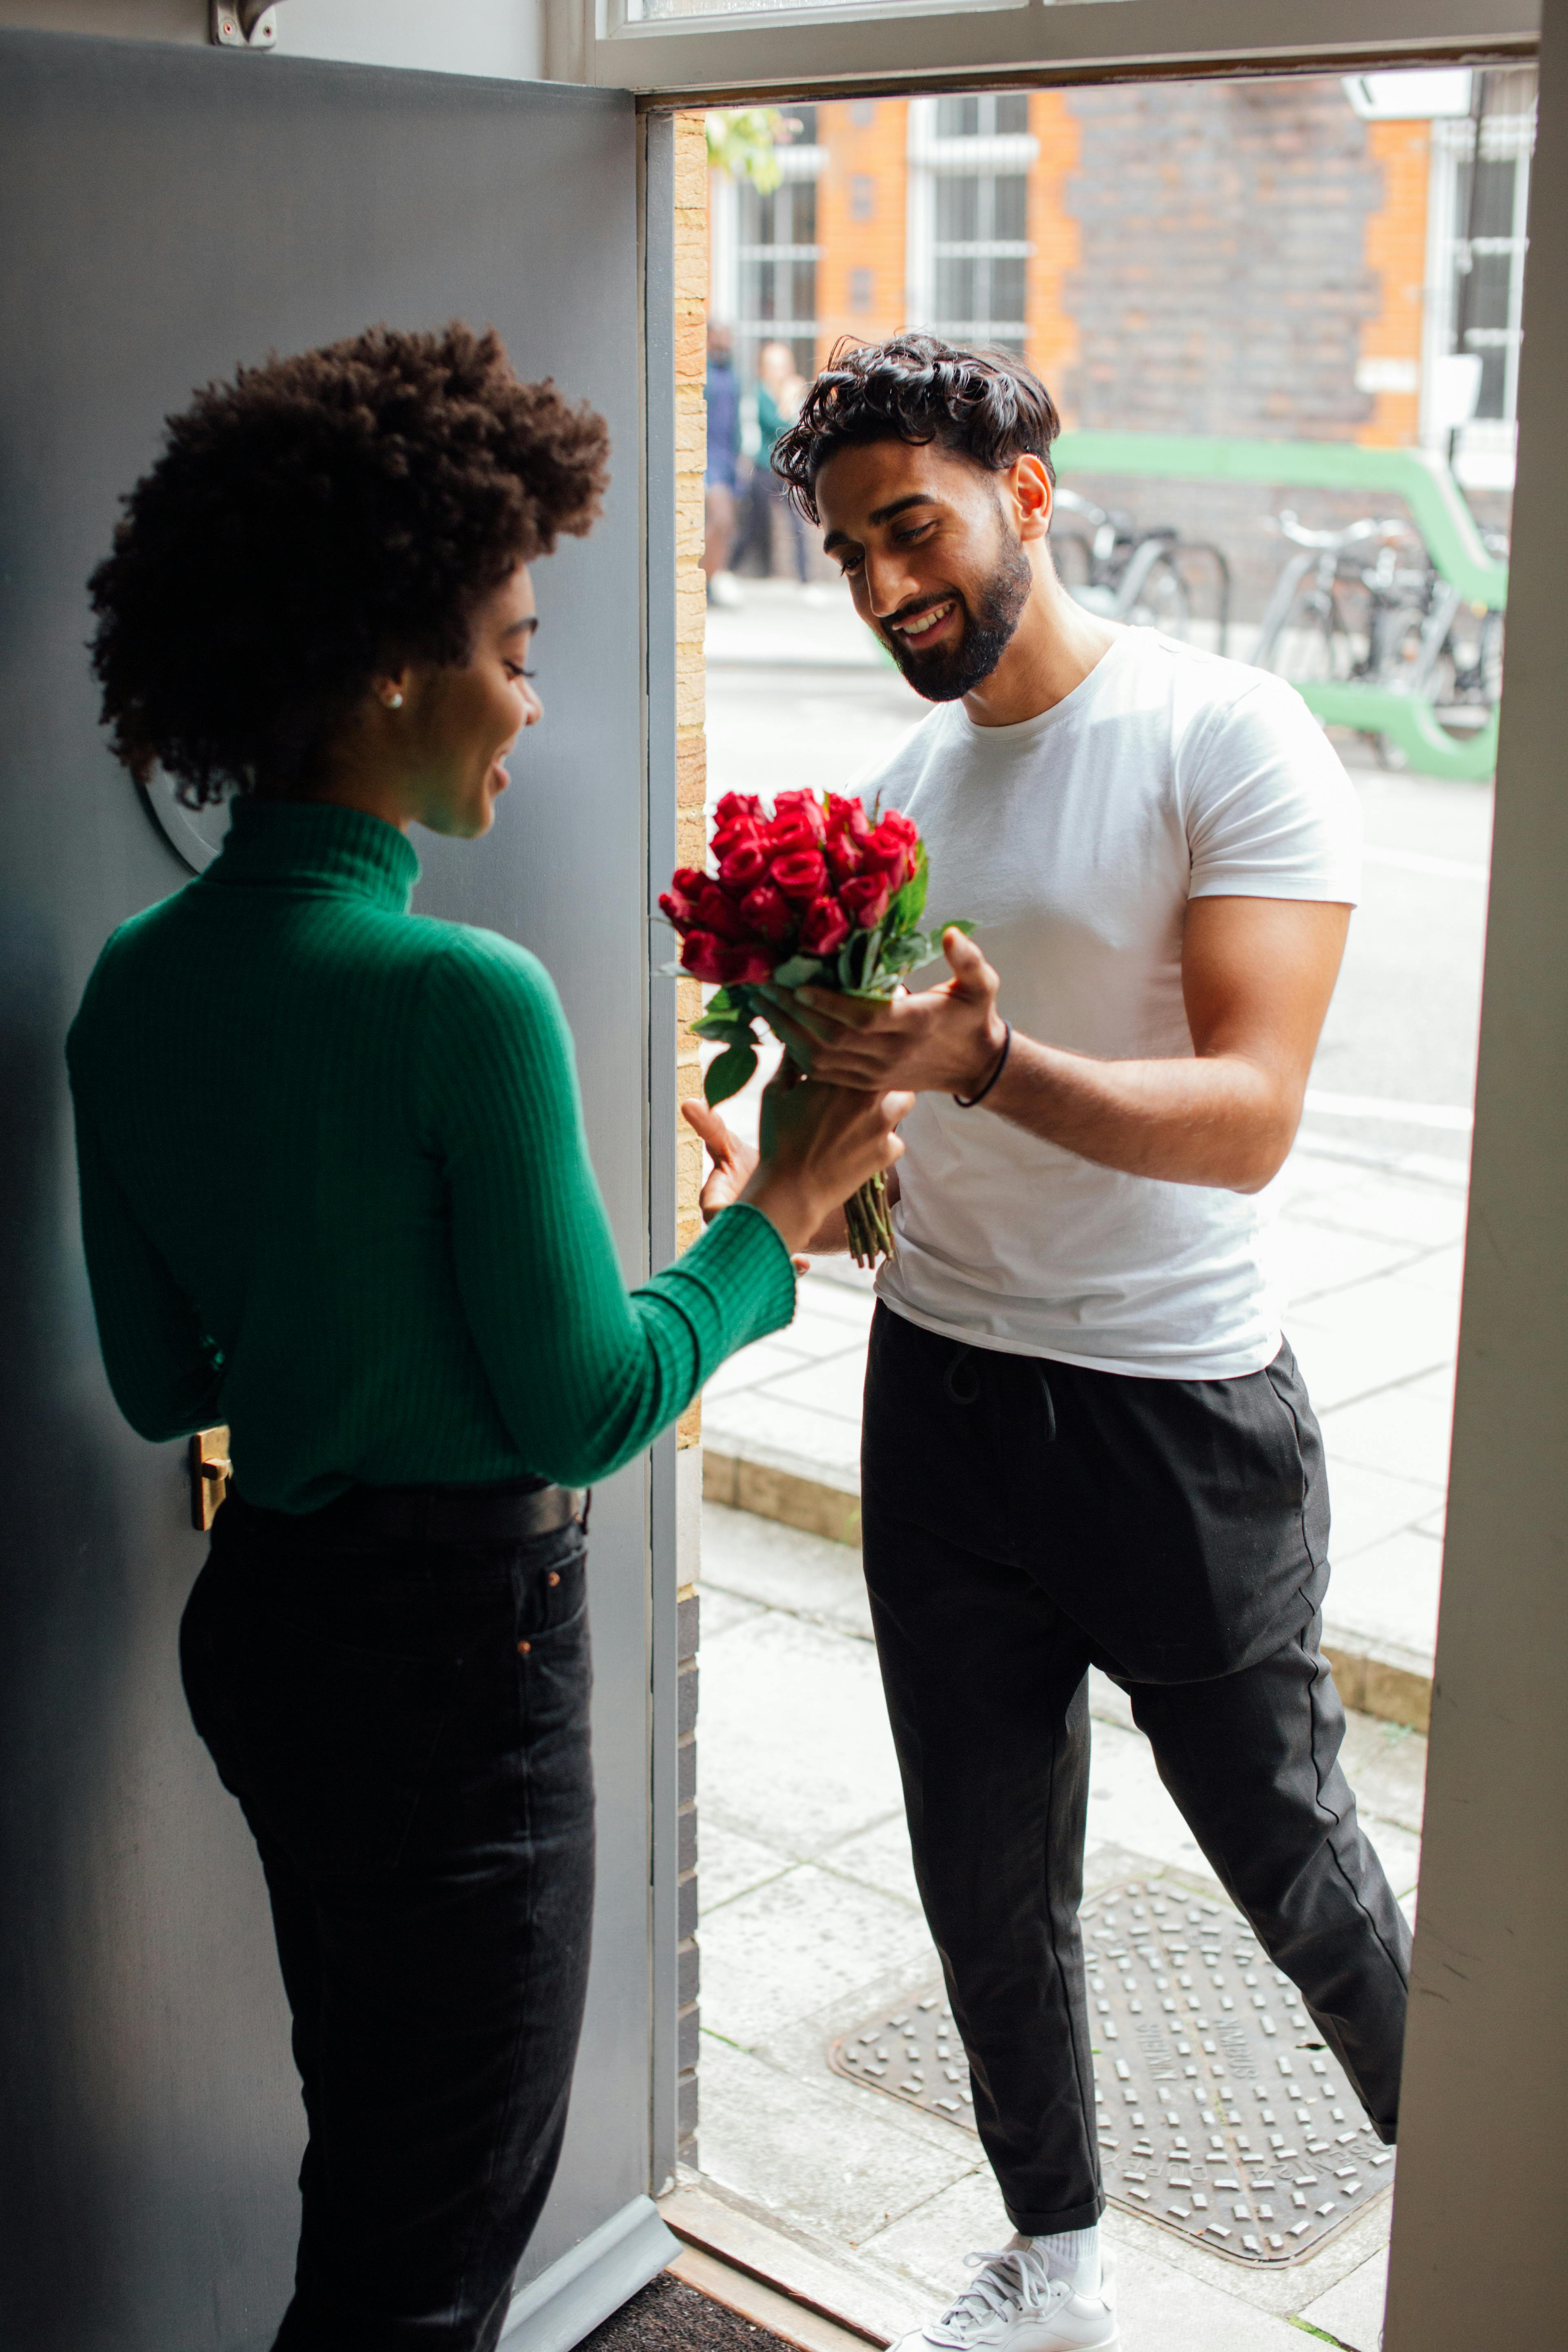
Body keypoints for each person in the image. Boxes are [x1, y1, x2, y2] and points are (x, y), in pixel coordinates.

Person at [67, 323, 908, 2352]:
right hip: (459, 1675)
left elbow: (169, 1380)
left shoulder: (133, 985)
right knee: (429, 2262)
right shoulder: (467, 1002)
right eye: (516, 644)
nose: (534, 699)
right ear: (383, 663)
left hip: (266, 1634)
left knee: (375, 2167)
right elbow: (593, 1397)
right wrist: (776, 1207)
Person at [687, 336, 1410, 2352]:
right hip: (940, 1396)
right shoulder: (902, 795)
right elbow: (899, 1108)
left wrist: (993, 1055)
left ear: (1030, 485)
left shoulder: (1227, 734)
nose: (884, 585)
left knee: (1291, 1864)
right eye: (843, 555)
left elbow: (1253, 1111)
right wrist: (797, 1157)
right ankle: (1059, 2269)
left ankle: (1488, 2203)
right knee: (985, 1878)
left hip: (1175, 1415)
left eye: (911, 528)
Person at [730, 337, 811, 584]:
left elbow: (804, 425)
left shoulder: (794, 390)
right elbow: (777, 425)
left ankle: (805, 580)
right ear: (764, 369)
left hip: (788, 471)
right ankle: (727, 568)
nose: (782, 371)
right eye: (775, 365)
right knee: (754, 525)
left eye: (785, 364)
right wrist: (789, 409)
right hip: (764, 469)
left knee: (798, 524)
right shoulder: (760, 393)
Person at [704, 318, 744, 608]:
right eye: (719, 339)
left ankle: (707, 581)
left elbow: (736, 424)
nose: (724, 345)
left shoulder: (732, 375)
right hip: (706, 462)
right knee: (721, 520)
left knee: (725, 526)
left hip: (727, 462)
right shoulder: (702, 374)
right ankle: (702, 581)